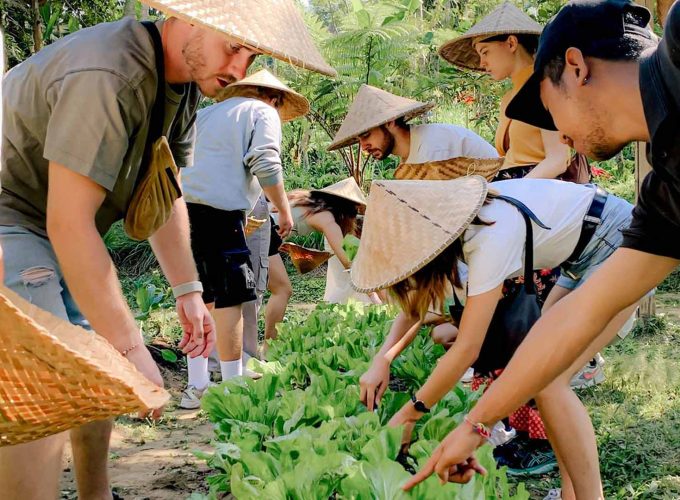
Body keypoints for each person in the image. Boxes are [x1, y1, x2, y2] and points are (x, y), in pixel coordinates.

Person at [0, 1, 332, 496]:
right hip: (13, 215)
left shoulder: (181, 85)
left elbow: (165, 189)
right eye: (233, 48)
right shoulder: (110, 71)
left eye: (251, 54)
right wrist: (135, 347)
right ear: (189, 19)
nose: (239, 69)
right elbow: (69, 223)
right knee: (44, 370)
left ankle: (97, 493)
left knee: (96, 357)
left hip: (54, 223)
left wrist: (188, 289)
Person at [402, 1, 668, 498]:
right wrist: (476, 425)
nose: (561, 135)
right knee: (551, 369)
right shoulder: (666, 178)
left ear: (576, 68)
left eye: (550, 110)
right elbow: (580, 312)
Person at [353, 176, 636, 500]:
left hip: (617, 243)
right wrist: (383, 358)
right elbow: (418, 311)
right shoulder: (459, 231)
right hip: (582, 255)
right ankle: (572, 493)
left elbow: (467, 349)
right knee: (545, 376)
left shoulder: (487, 238)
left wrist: (411, 412)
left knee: (550, 379)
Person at [438, 1, 574, 475]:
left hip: (536, 209)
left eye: (485, 50)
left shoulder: (543, 89)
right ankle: (514, 430)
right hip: (516, 202)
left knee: (525, 324)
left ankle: (539, 437)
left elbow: (558, 158)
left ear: (511, 42)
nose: (481, 61)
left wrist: (516, 197)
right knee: (503, 322)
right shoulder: (509, 97)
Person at [179, 69, 310, 408]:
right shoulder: (263, 111)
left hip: (181, 211)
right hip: (220, 213)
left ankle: (197, 385)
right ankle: (233, 385)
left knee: (199, 295)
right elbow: (265, 161)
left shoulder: (206, 114)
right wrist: (282, 209)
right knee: (231, 296)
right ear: (274, 99)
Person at [327, 84, 498, 162]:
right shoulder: (410, 158)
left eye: (366, 135)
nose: (363, 146)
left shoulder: (432, 145)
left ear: (390, 122)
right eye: (359, 140)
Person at [274, 177, 377, 305]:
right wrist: (373, 296)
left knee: (274, 290)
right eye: (354, 210)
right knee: (282, 290)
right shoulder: (326, 218)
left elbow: (275, 215)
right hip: (263, 233)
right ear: (345, 207)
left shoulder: (307, 200)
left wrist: (280, 243)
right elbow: (348, 263)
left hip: (258, 228)